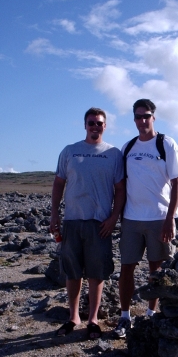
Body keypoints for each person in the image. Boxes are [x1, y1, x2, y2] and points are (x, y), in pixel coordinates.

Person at [50, 108, 125, 340]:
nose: (95, 126)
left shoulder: (113, 153)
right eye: (91, 122)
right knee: (72, 272)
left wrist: (113, 218)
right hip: (72, 220)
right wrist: (54, 214)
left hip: (99, 223)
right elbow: (58, 184)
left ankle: (93, 318)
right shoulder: (70, 151)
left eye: (99, 123)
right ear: (85, 125)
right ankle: (73, 317)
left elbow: (120, 189)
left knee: (97, 272)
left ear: (105, 126)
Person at [113, 99, 178, 338]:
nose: (142, 121)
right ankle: (125, 317)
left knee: (156, 268)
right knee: (126, 269)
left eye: (147, 116)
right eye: (138, 117)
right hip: (131, 219)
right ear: (133, 119)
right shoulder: (128, 147)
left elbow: (177, 182)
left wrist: (170, 218)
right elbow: (120, 184)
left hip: (159, 217)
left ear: (154, 117)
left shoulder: (166, 144)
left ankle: (151, 314)